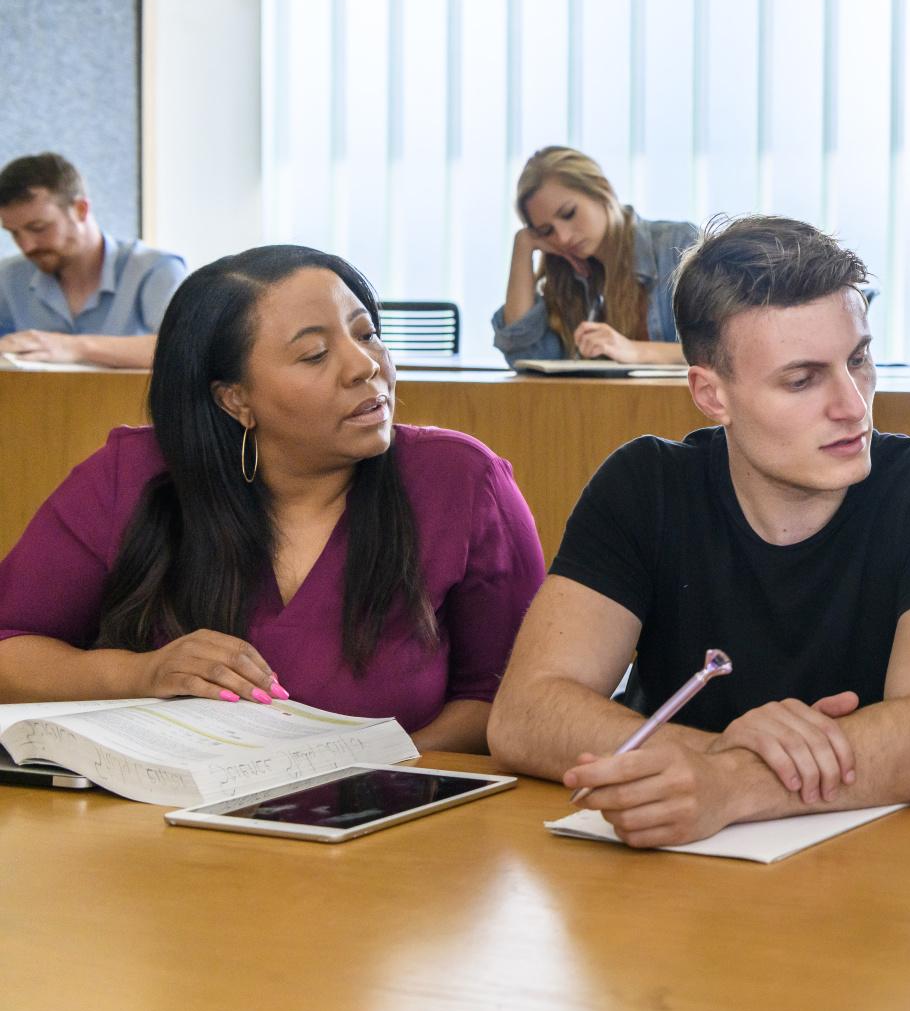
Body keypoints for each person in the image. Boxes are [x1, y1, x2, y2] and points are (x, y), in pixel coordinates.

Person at [487, 216, 910, 847]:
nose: (853, 405)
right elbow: (526, 715)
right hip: (670, 877)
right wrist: (720, 755)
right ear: (712, 395)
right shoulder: (646, 484)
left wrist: (732, 783)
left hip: (892, 874)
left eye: (858, 359)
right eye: (802, 380)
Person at [0, 246, 548, 752]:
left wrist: (369, 770)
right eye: (314, 354)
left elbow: (507, 697)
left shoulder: (462, 480)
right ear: (234, 398)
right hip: (156, 828)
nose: (365, 365)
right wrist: (140, 674)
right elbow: (10, 647)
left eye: (367, 333)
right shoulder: (132, 475)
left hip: (384, 827)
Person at [492, 145, 701, 365]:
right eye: (546, 231)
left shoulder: (679, 245)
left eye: (568, 214)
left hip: (668, 401)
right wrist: (523, 246)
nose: (562, 238)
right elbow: (524, 357)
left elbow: (722, 355)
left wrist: (635, 351)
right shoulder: (567, 275)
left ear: (602, 190)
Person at [0, 152, 187, 369]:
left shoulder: (155, 269)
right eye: (14, 233)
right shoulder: (8, 277)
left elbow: (184, 351)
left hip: (126, 402)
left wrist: (72, 347)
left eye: (38, 228)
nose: (26, 246)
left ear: (81, 210)